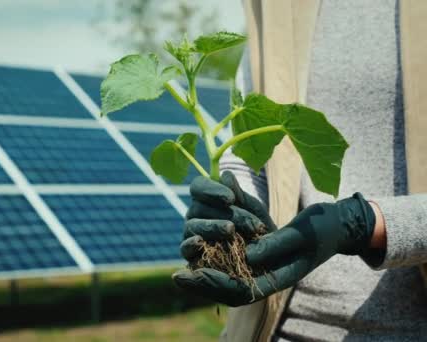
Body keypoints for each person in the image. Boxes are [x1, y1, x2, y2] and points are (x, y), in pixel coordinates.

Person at [172, 0, 427, 340]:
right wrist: (235, 207)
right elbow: (256, 142)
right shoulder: (277, 6)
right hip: (276, 327)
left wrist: (368, 223)